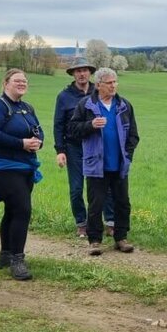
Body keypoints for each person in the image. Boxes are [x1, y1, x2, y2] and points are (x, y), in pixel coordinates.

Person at [0, 68, 44, 280]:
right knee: (22, 209)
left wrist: (38, 142)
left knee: (12, 210)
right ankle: (17, 260)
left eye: (24, 81)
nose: (22, 84)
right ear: (5, 84)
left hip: (25, 166)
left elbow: (38, 129)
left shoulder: (26, 108)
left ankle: (5, 255)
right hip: (3, 166)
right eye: (17, 81)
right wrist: (20, 143)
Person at [68, 67, 139, 256]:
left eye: (115, 82)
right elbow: (72, 129)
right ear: (99, 85)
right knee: (96, 204)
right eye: (109, 83)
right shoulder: (86, 105)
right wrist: (90, 125)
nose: (113, 86)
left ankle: (121, 238)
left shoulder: (124, 105)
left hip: (119, 165)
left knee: (123, 203)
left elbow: (133, 135)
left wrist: (128, 156)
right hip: (96, 164)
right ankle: (95, 241)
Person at [54, 56, 114, 239]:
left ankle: (110, 222)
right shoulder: (64, 97)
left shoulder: (98, 92)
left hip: (96, 146)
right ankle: (81, 223)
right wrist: (60, 151)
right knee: (76, 188)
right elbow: (58, 125)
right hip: (74, 147)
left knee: (104, 185)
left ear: (90, 73)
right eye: (78, 71)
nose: (82, 74)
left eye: (85, 70)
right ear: (73, 74)